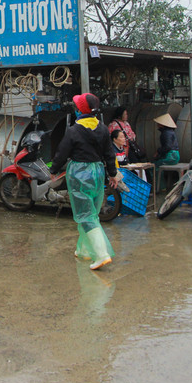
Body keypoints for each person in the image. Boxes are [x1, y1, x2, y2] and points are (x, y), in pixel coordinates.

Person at [50, 93, 119, 271]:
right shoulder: (103, 129)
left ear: (81, 110)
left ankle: (102, 254)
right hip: (97, 173)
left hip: (80, 174)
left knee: (86, 215)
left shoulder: (74, 130)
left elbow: (62, 152)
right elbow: (109, 154)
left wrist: (53, 170)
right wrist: (112, 174)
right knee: (90, 213)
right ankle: (84, 250)